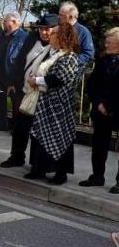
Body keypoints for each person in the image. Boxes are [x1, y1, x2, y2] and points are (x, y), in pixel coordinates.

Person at [0, 14, 57, 168]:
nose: (44, 32)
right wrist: (12, 82)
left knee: (40, 130)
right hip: (25, 90)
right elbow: (20, 60)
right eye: (42, 29)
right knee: (20, 126)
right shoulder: (32, 39)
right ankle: (17, 156)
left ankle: (38, 164)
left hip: (44, 94)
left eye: (48, 29)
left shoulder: (57, 45)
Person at [27, 23, 81, 185]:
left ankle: (60, 173)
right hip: (46, 103)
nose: (51, 35)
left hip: (60, 106)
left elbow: (58, 78)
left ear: (63, 37)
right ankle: (39, 168)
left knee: (60, 138)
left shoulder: (70, 56)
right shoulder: (53, 53)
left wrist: (36, 80)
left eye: (55, 33)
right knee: (41, 136)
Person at [81, 27, 119, 193]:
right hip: (100, 110)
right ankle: (97, 176)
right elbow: (92, 85)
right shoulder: (102, 61)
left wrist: (109, 106)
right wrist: (98, 103)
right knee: (99, 146)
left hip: (117, 109)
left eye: (109, 42)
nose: (106, 44)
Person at [0, 12, 27, 131]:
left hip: (12, 74)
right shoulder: (2, 35)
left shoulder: (23, 37)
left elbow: (23, 57)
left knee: (16, 101)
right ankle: (1, 123)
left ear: (14, 22)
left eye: (5, 21)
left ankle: (16, 127)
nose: (3, 23)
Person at [58, 1, 95, 71]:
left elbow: (88, 55)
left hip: (71, 71)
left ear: (71, 17)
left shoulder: (83, 32)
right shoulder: (58, 29)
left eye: (61, 15)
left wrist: (70, 62)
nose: (59, 17)